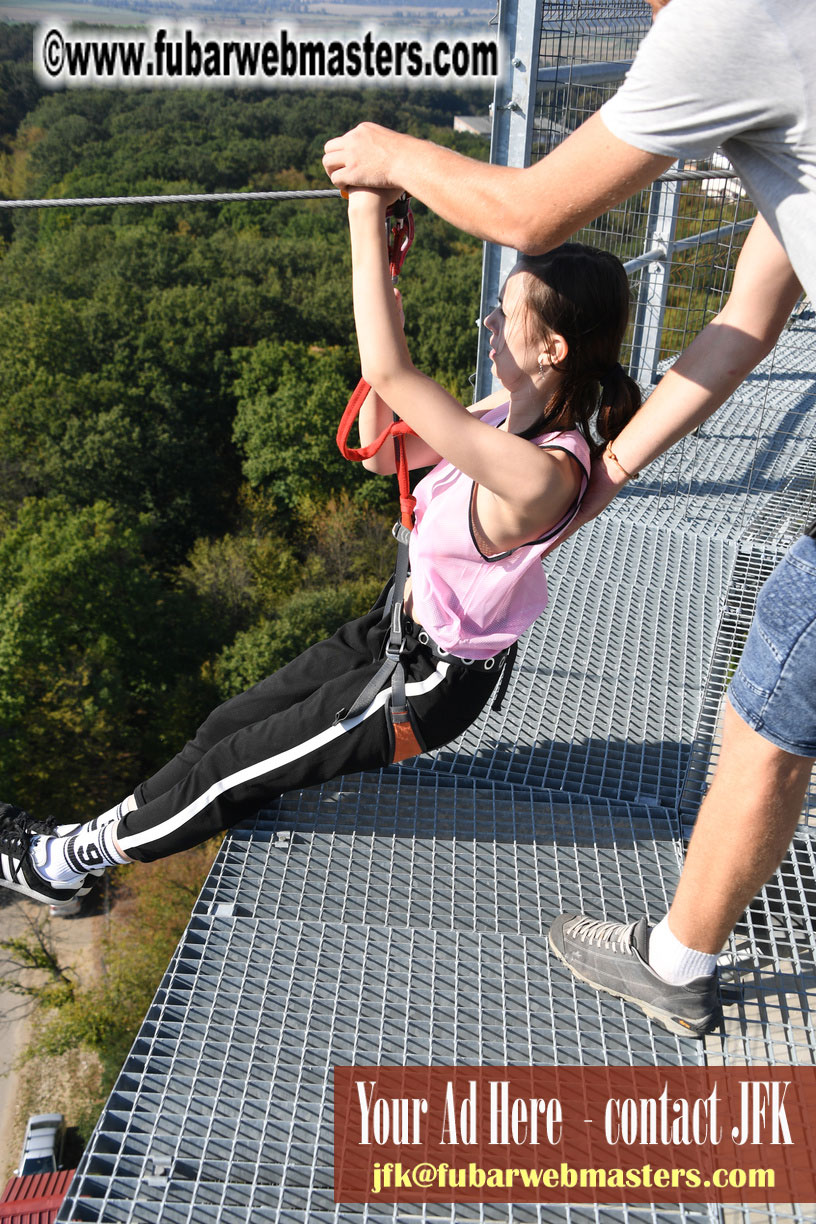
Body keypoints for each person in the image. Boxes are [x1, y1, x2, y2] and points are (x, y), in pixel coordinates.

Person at [323, 0, 816, 1037]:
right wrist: (617, 465)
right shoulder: (555, 449)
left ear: (551, 350)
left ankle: (679, 963)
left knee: (773, 712)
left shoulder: (735, 16)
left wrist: (383, 165)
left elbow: (529, 213)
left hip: (434, 677)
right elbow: (747, 318)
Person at [0, 194, 642, 914]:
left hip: (427, 683)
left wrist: (366, 218)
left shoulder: (544, 473)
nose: (487, 323)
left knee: (234, 769)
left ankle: (65, 860)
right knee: (224, 726)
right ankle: (81, 845)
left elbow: (398, 378)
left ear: (553, 348)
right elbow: (383, 449)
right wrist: (386, 341)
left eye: (504, 313)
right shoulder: (502, 412)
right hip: (391, 633)